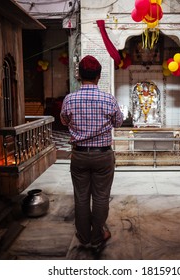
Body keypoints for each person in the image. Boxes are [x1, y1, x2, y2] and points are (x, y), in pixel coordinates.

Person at [60, 55, 124, 251]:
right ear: (99, 76)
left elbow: (64, 121)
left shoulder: (70, 99)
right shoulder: (108, 99)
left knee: (80, 197)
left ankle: (84, 235)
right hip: (103, 156)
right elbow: (119, 122)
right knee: (101, 196)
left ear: (79, 76)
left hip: (79, 155)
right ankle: (97, 236)